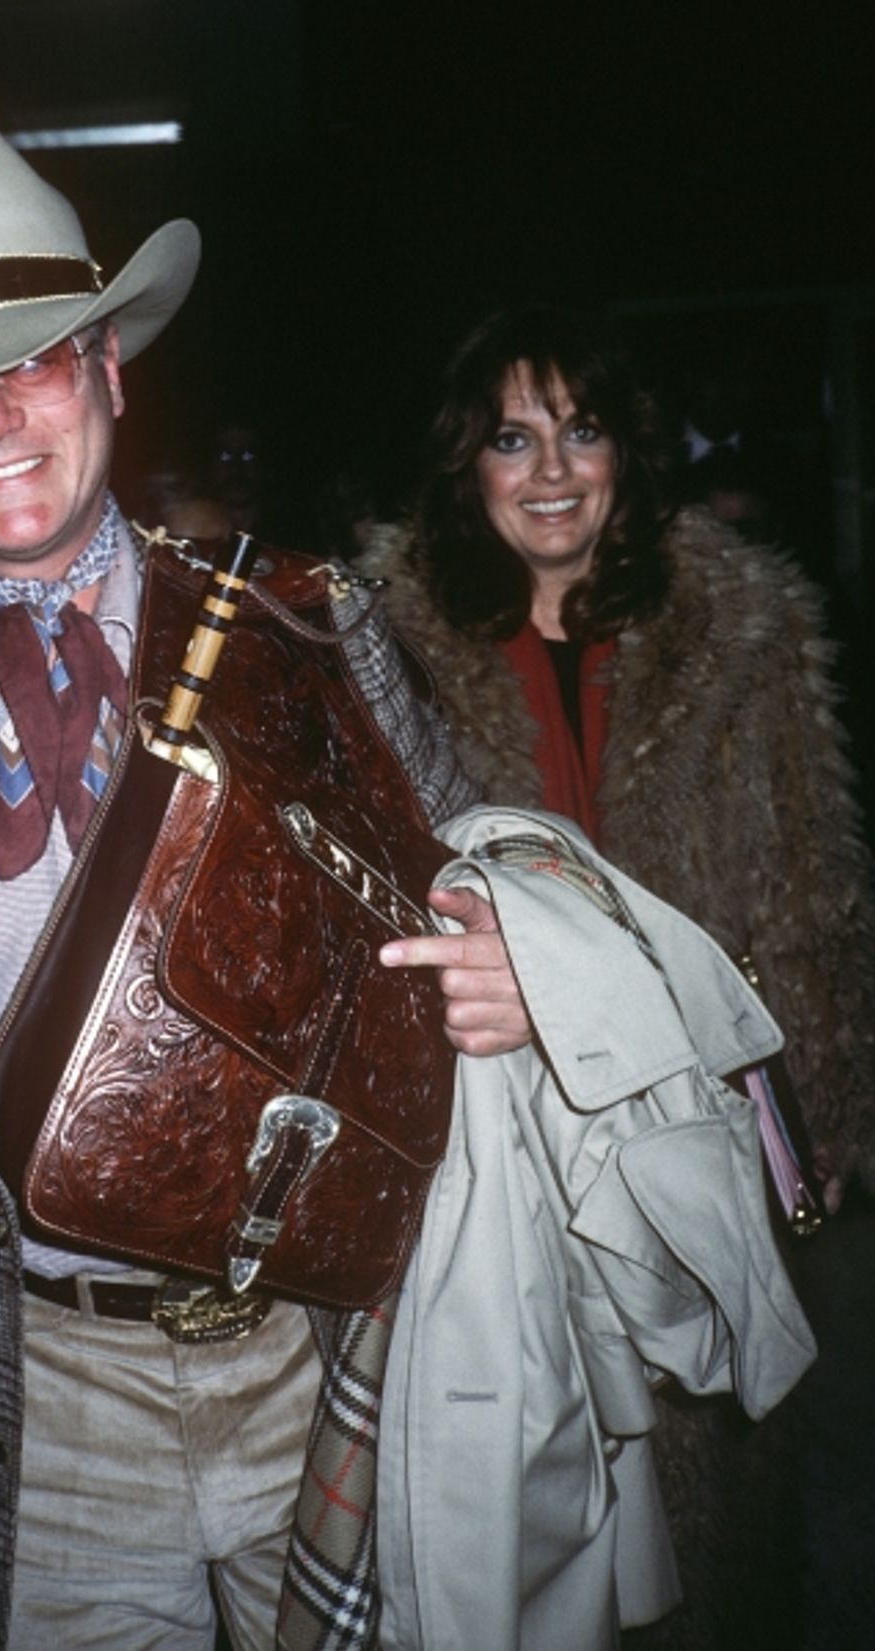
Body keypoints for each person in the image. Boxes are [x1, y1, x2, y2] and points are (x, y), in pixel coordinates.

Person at [0, 107, 530, 1651]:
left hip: (324, 1359)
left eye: (36, 358)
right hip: (21, 1419)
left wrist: (509, 961)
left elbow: (486, 881)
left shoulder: (298, 635)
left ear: (110, 371)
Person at [357, 301, 875, 1647]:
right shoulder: (383, 657)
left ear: (628, 453)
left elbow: (814, 902)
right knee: (544, 1535)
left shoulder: (741, 637)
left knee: (718, 1545)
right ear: (465, 465)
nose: (549, 472)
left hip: (706, 1138)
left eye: (580, 432)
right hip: (503, 1164)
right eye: (511, 438)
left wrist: (820, 1126)